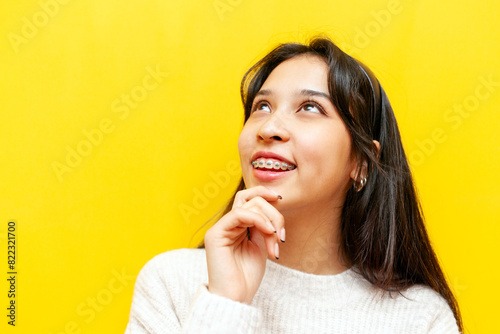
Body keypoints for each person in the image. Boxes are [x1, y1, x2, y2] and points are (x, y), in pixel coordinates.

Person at [125, 36, 463, 333]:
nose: (269, 126)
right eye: (262, 106)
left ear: (361, 162)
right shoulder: (170, 282)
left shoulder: (421, 319)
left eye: (310, 107)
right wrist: (225, 305)